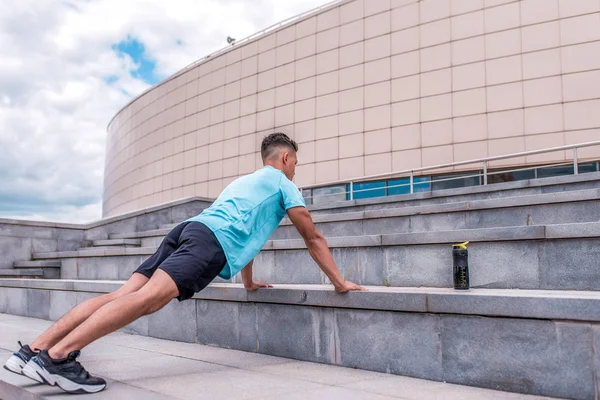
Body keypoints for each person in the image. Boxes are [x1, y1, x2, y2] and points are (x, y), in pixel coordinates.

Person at [3, 132, 366, 393]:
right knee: (148, 300)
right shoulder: (284, 184)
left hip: (189, 229)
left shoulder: (244, 183)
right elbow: (313, 236)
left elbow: (245, 233)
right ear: (285, 158)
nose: (295, 171)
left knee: (122, 295)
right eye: (295, 164)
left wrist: (248, 282)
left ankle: (33, 350)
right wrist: (339, 283)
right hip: (208, 242)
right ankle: (59, 356)